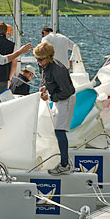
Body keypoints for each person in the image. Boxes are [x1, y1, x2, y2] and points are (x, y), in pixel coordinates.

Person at [34, 42, 76, 176]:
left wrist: (51, 97)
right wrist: (45, 87)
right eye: (37, 59)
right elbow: (47, 78)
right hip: (60, 98)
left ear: (49, 57)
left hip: (66, 99)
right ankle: (65, 162)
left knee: (59, 130)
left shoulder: (58, 70)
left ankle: (64, 165)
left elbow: (67, 92)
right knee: (58, 130)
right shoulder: (45, 65)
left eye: (40, 59)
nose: (38, 62)